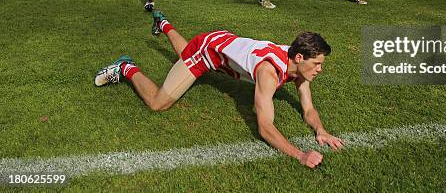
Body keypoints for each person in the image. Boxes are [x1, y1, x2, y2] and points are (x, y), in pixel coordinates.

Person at [94, 11, 344, 168]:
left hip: (221, 42)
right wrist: (299, 155)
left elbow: (308, 108)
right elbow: (265, 127)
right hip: (207, 51)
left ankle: (164, 24)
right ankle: (126, 67)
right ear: (299, 57)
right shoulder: (269, 73)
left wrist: (321, 130)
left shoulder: (299, 68)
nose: (320, 69)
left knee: (183, 56)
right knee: (160, 102)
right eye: (317, 63)